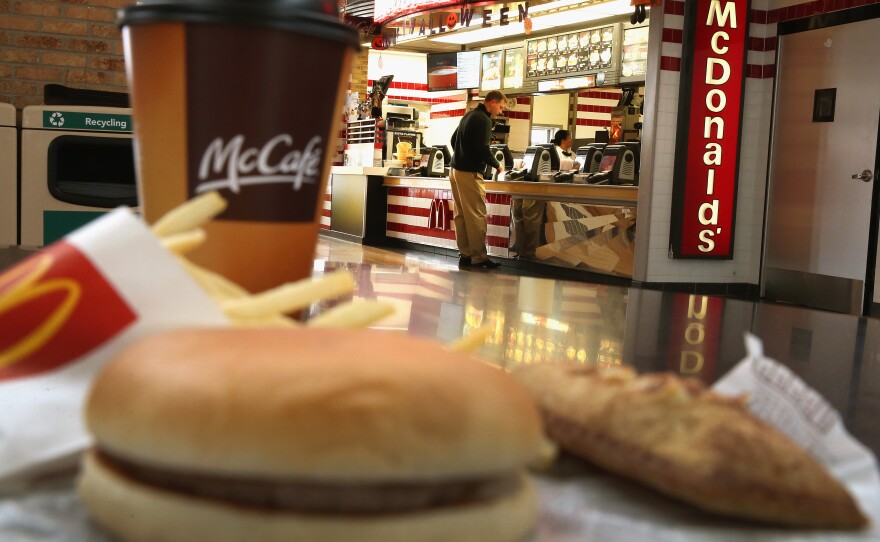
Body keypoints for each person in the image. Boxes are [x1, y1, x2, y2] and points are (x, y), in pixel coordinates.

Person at [449, 90, 507, 269]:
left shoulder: (469, 115)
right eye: (501, 106)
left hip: (455, 170)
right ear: (492, 102)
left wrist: (462, 153)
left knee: (461, 215)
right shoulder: (484, 120)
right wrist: (497, 165)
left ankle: (465, 254)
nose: (501, 111)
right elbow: (483, 148)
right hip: (469, 173)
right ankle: (479, 257)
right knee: (476, 215)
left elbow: (453, 140)